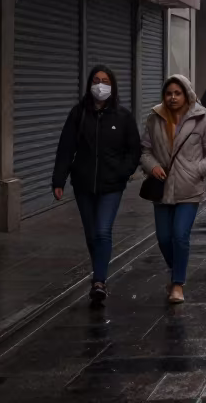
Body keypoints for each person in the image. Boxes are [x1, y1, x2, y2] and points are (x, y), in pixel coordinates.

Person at [52, 65, 141, 305]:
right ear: (90, 84)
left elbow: (134, 150)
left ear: (112, 86)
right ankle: (99, 272)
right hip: (83, 184)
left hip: (111, 185)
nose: (100, 84)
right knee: (92, 235)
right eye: (96, 79)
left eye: (105, 80)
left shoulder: (123, 117)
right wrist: (58, 180)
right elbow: (66, 147)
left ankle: (99, 281)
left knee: (102, 231)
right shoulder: (78, 114)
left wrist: (123, 172)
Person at [140, 74, 206, 304]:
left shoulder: (201, 119)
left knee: (180, 235)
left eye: (177, 93)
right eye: (169, 93)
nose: (173, 98)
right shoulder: (154, 118)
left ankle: (178, 284)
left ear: (186, 94)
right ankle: (176, 270)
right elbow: (144, 151)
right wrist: (152, 166)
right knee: (164, 238)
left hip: (189, 188)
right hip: (162, 188)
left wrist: (197, 169)